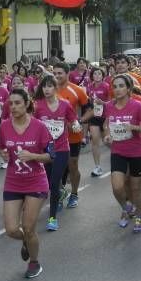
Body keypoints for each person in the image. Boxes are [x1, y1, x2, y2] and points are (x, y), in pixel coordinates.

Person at [0, 89, 53, 278]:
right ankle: (26, 241)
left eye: (17, 103)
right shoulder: (4, 126)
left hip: (36, 181)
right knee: (12, 229)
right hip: (13, 181)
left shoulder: (39, 127)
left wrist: (33, 156)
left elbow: (50, 155)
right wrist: (4, 154)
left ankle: (34, 262)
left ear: (27, 104)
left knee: (29, 228)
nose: (13, 107)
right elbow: (2, 148)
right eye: (10, 103)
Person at [103, 74, 141, 234]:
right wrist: (107, 134)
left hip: (137, 151)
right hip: (118, 150)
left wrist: (133, 127)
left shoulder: (137, 106)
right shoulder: (109, 106)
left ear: (129, 88)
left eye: (121, 86)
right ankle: (126, 206)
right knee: (117, 187)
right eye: (115, 86)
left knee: (136, 188)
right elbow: (107, 124)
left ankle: (139, 217)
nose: (117, 89)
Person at [33, 74, 78, 231]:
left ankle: (52, 218)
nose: (46, 89)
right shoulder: (38, 105)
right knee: (50, 184)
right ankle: (60, 192)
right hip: (45, 151)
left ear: (56, 87)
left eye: (50, 86)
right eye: (44, 86)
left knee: (53, 182)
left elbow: (73, 119)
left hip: (61, 149)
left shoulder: (65, 105)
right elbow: (32, 124)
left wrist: (76, 125)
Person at [53, 63, 89, 209]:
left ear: (67, 74)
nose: (56, 76)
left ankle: (74, 194)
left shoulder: (77, 90)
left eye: (59, 73)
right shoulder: (48, 89)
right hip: (54, 136)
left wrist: (79, 121)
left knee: (72, 165)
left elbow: (90, 110)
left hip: (73, 136)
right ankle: (60, 194)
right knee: (56, 167)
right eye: (54, 73)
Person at [85, 66, 111, 177]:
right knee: (95, 141)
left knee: (107, 141)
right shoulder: (89, 87)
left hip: (105, 117)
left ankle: (120, 154)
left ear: (103, 75)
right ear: (92, 76)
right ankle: (97, 167)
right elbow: (88, 102)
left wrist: (103, 103)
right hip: (94, 117)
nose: (97, 76)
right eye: (95, 74)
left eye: (99, 74)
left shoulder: (106, 86)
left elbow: (111, 103)